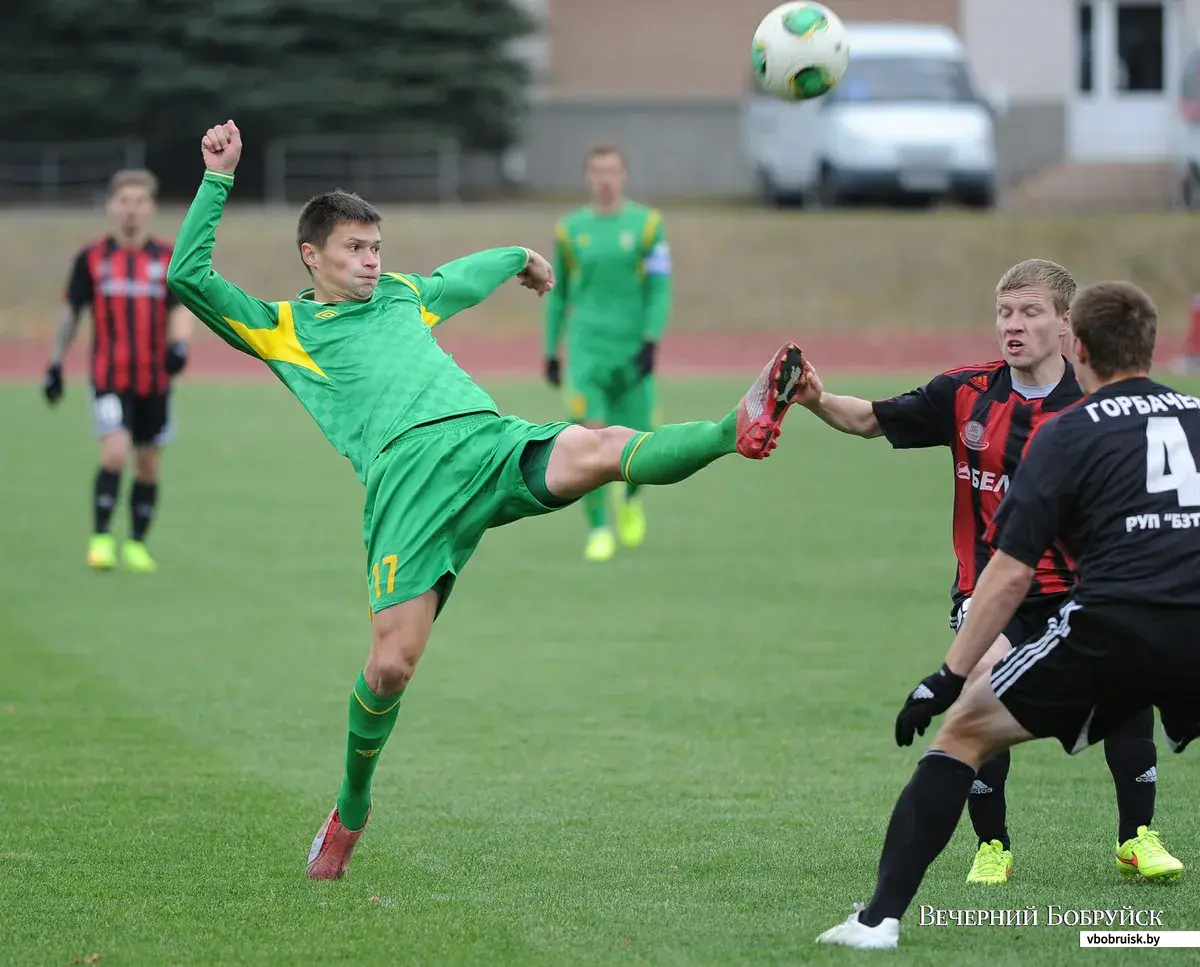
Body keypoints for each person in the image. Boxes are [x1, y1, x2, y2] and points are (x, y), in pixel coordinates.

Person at [166, 120, 808, 881]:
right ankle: (350, 808)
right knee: (391, 668)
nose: (372, 263)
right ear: (312, 255)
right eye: (354, 250)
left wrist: (519, 258)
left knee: (598, 449)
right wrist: (217, 181)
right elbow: (188, 277)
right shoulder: (284, 327)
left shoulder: (403, 293)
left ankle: (733, 428)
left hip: (485, 441)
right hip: (407, 488)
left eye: (376, 248)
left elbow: (458, 280)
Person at [817, 280, 1200, 949]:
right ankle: (995, 845)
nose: (1014, 324)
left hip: (1111, 625)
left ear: (1075, 342)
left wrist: (943, 676)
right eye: (1006, 311)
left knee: (964, 727)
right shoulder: (1195, 414)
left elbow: (1011, 567)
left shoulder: (1068, 429)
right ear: (1153, 344)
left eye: (1030, 312)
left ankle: (877, 921)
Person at [43, 168, 195, 573]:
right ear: (112, 206)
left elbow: (180, 307)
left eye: (140, 202)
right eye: (124, 201)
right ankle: (100, 540)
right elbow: (70, 313)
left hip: (155, 379)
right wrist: (55, 363)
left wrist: (180, 345)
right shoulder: (91, 259)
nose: (132, 210)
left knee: (148, 463)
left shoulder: (167, 259)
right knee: (113, 453)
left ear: (151, 207)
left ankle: (137, 544)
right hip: (109, 377)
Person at [543, 144, 672, 561]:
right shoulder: (569, 230)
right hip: (586, 351)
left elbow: (659, 288)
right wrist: (551, 349)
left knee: (641, 444)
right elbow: (558, 293)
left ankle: (631, 501)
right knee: (589, 438)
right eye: (597, 171)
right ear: (587, 176)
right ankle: (598, 529)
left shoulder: (648, 225)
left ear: (624, 175)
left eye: (612, 171)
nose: (604, 179)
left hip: (631, 349)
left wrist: (652, 339)